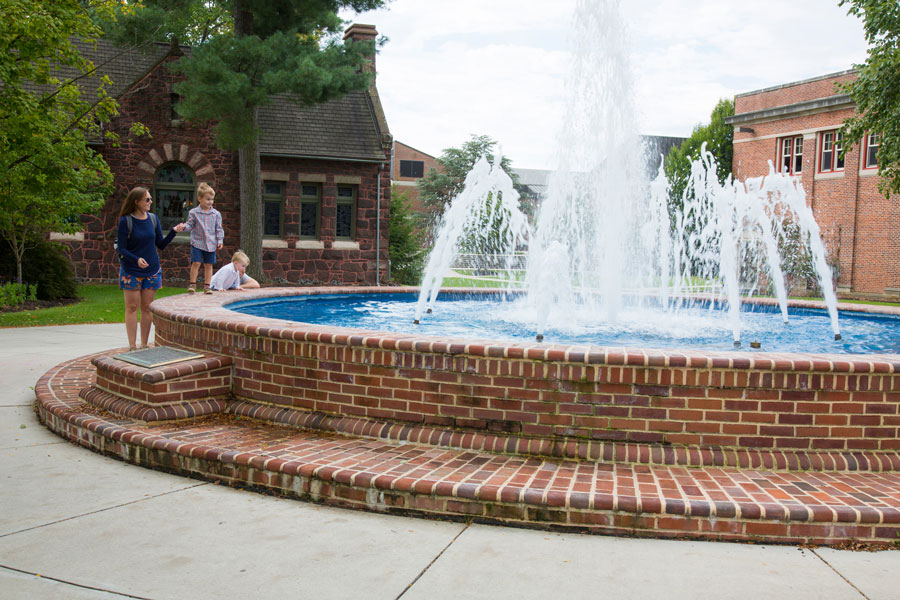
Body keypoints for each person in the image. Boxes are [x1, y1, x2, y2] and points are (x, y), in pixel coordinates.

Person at [117, 186, 185, 350]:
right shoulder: (126, 221)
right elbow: (121, 248)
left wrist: (174, 232)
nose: (150, 202)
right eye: (147, 199)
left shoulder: (153, 219)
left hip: (152, 270)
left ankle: (144, 345)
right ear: (136, 202)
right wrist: (136, 259)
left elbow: (160, 244)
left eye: (150, 199)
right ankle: (132, 346)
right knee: (132, 308)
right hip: (131, 270)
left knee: (147, 308)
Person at [182, 182, 224, 294]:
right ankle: (192, 284)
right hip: (197, 243)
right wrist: (183, 227)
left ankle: (207, 286)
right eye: (207, 199)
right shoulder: (194, 213)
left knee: (208, 265)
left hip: (211, 244)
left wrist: (220, 240)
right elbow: (190, 225)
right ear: (199, 198)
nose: (210, 202)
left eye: (212, 199)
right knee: (196, 263)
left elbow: (219, 229)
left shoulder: (216, 214)